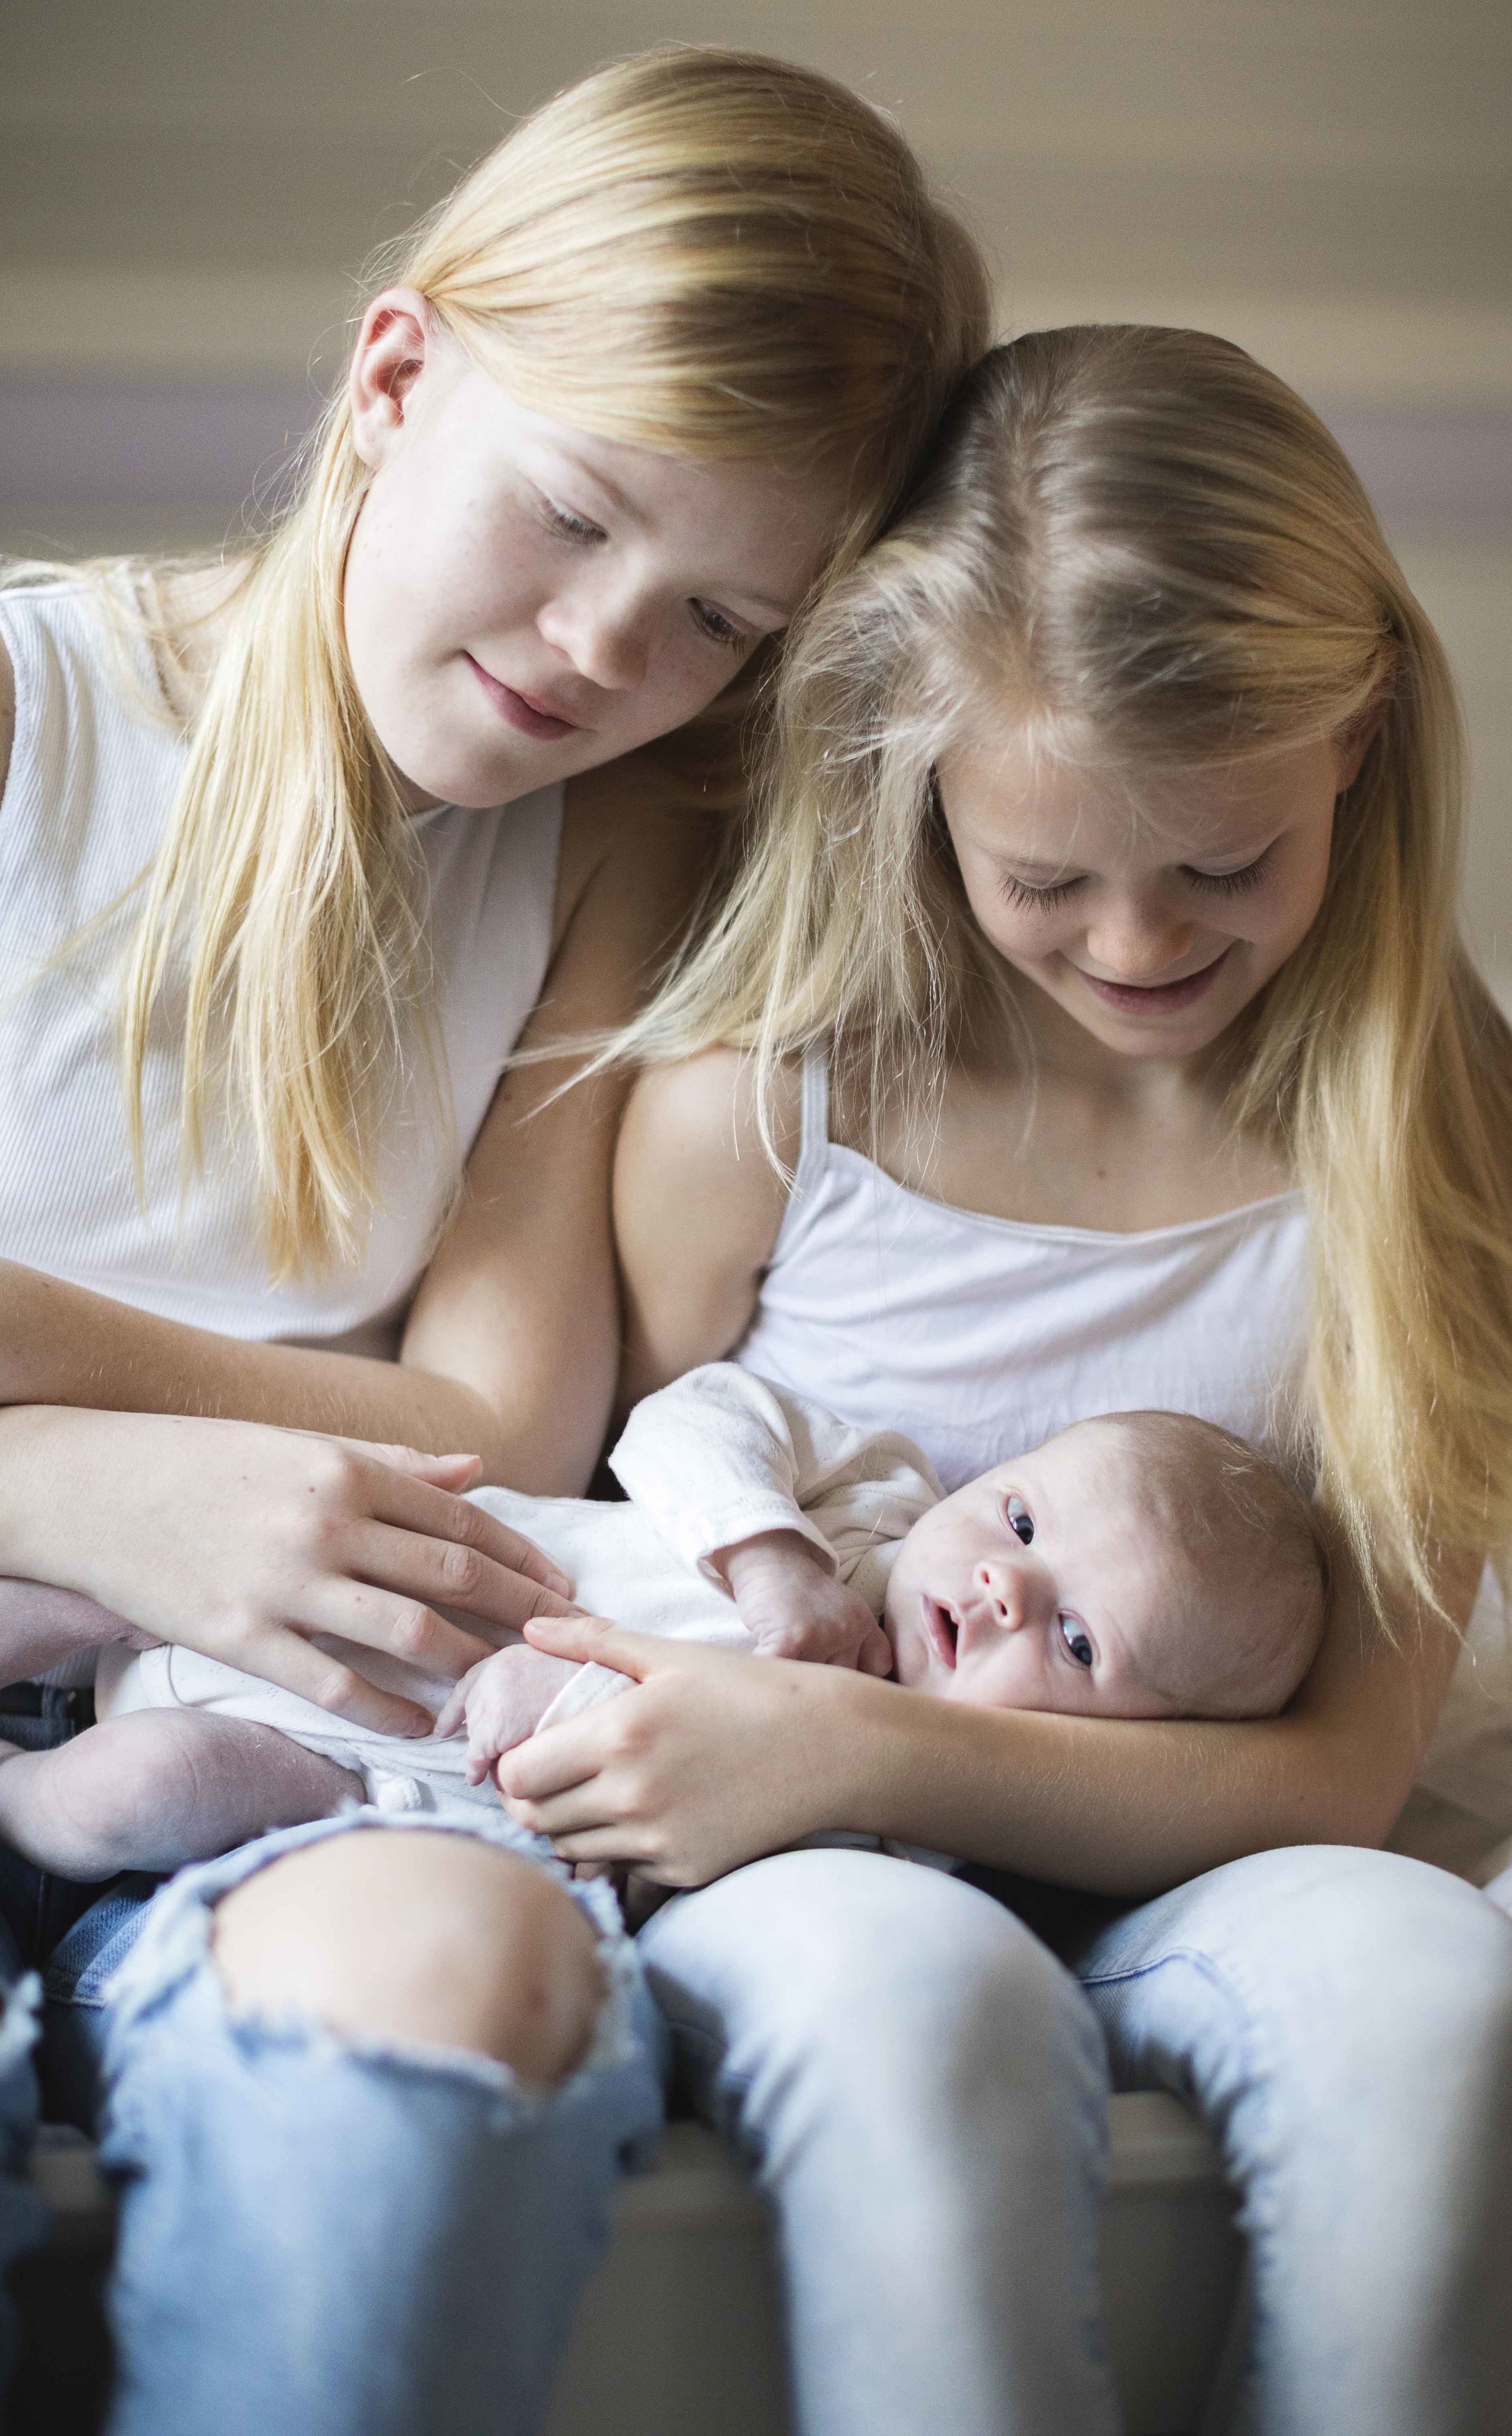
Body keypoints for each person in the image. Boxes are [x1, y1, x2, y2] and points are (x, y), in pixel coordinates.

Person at [491, 326, 1512, 2434]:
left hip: (1211, 1844)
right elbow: (613, 1522)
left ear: (1356, 736)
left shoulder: (1440, 1144)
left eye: (1220, 866)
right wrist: (781, 1743)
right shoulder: (766, 1099)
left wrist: (843, 1735)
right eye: (1044, 880)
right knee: (919, 2026)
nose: (1130, 945)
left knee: (1438, 2005)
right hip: (802, 1869)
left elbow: (1338, 1771)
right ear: (911, 773)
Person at [0, 46, 988, 2434]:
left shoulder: (615, 846)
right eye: (568, 521)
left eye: (721, 625)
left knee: (460, 1983)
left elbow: (498, 1420)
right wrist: (72, 1481)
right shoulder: (36, 713)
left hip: (274, 1730)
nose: (603, 654)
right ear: (398, 371)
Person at [0, 1365, 1326, 1867]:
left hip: (335, 1779)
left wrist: (570, 1712)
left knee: (129, 1797)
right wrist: (770, 1557)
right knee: (72, 1591)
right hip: (361, 1576)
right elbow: (686, 1416)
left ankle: (16, 1789)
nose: (1005, 1587)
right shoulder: (873, 1502)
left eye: (1080, 1645)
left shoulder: (904, 1820)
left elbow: (678, 1846)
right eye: (1026, 1523)